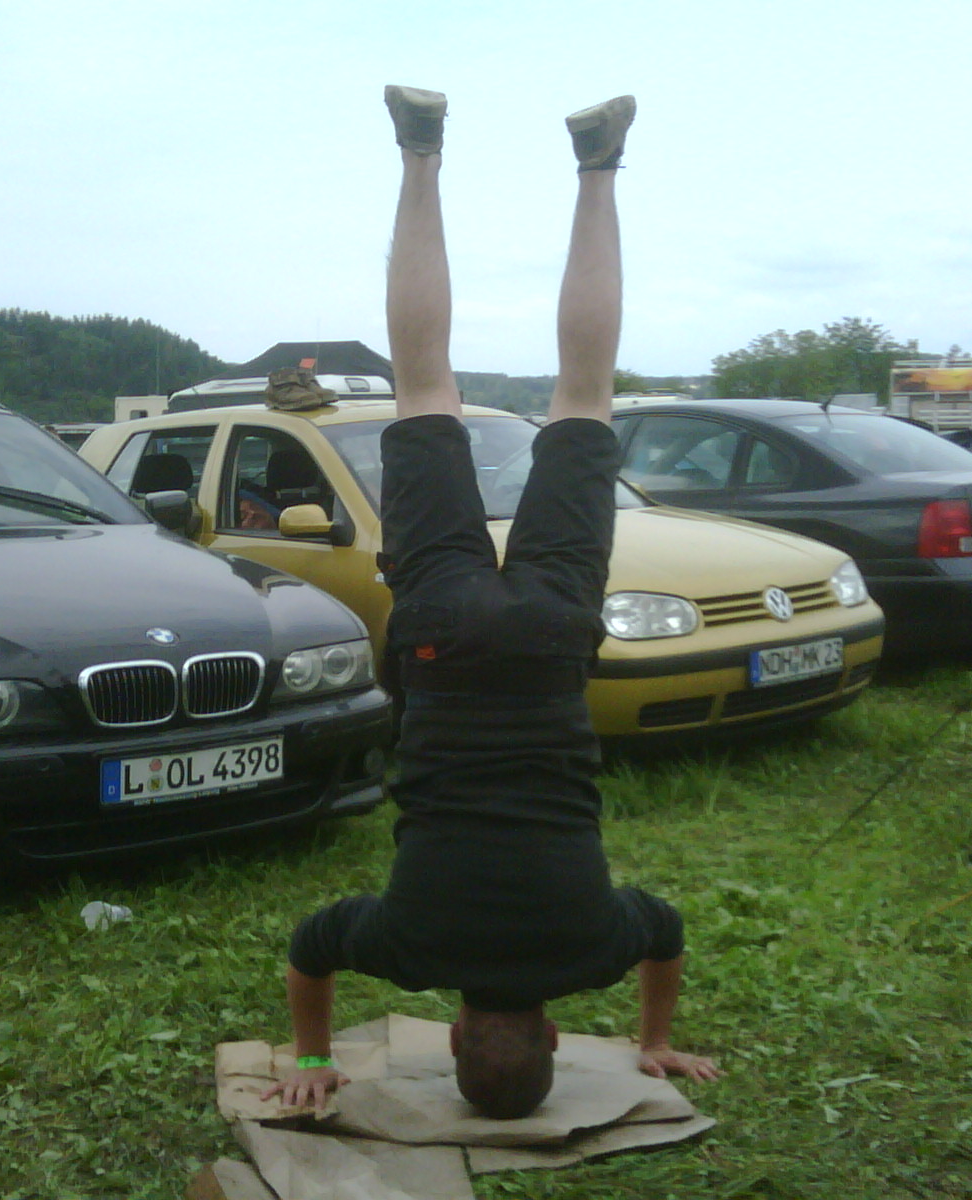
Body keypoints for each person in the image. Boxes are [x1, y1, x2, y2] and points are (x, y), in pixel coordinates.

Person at [264, 86, 719, 1120]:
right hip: (443, 645)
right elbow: (310, 949)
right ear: (455, 1036)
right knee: (426, 387)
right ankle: (419, 149)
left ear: (554, 1034)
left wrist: (654, 1038)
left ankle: (598, 163)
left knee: (583, 395)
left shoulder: (593, 951)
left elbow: (665, 932)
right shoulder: (411, 949)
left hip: (553, 646)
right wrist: (311, 1055)